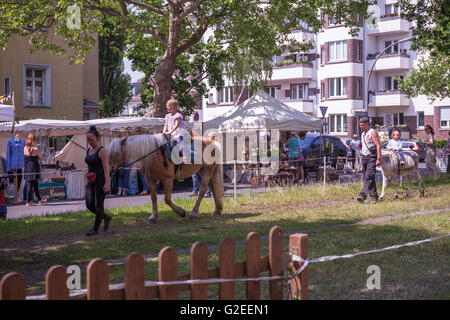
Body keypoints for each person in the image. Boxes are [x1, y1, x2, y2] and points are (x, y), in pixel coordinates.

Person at [85, 126, 112, 236]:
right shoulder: (88, 150)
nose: (89, 142)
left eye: (91, 139)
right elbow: (89, 166)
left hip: (100, 180)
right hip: (91, 180)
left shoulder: (102, 151)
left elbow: (106, 169)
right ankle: (106, 217)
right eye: (88, 139)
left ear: (97, 138)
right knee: (89, 204)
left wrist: (107, 183)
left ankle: (95, 229)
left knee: (99, 205)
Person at [357, 117, 381, 202]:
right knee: (369, 177)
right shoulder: (363, 134)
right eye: (360, 125)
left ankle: (362, 195)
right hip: (364, 157)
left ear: (367, 124)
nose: (361, 127)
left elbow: (378, 145)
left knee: (369, 176)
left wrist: (378, 158)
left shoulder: (373, 132)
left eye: (363, 125)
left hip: (372, 157)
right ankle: (374, 196)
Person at [23, 134, 45, 206]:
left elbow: (27, 157)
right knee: (30, 185)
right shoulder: (35, 149)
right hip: (33, 168)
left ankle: (39, 201)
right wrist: (37, 157)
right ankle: (28, 202)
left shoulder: (25, 148)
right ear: (34, 140)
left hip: (27, 168)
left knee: (34, 185)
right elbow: (41, 157)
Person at [163, 98, 185, 163]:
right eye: (167, 106)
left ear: (174, 108)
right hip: (171, 133)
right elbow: (166, 125)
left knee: (179, 141)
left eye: (169, 107)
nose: (167, 108)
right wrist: (164, 131)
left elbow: (176, 125)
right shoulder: (167, 116)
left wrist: (170, 132)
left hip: (178, 133)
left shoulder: (178, 115)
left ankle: (183, 156)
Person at [6, 133, 25, 199]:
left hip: (20, 165)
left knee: (19, 181)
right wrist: (8, 167)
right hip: (12, 165)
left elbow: (24, 153)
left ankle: (16, 197)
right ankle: (12, 197)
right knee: (11, 182)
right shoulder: (10, 142)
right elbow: (8, 154)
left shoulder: (23, 142)